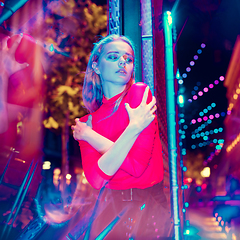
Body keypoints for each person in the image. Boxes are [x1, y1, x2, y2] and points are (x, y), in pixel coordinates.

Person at [71, 34, 170, 239]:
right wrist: (132, 129)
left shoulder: (140, 94)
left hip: (149, 208)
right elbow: (97, 179)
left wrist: (91, 137)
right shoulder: (87, 121)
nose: (122, 62)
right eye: (113, 56)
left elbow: (136, 167)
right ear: (96, 66)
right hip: (111, 208)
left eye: (128, 59)